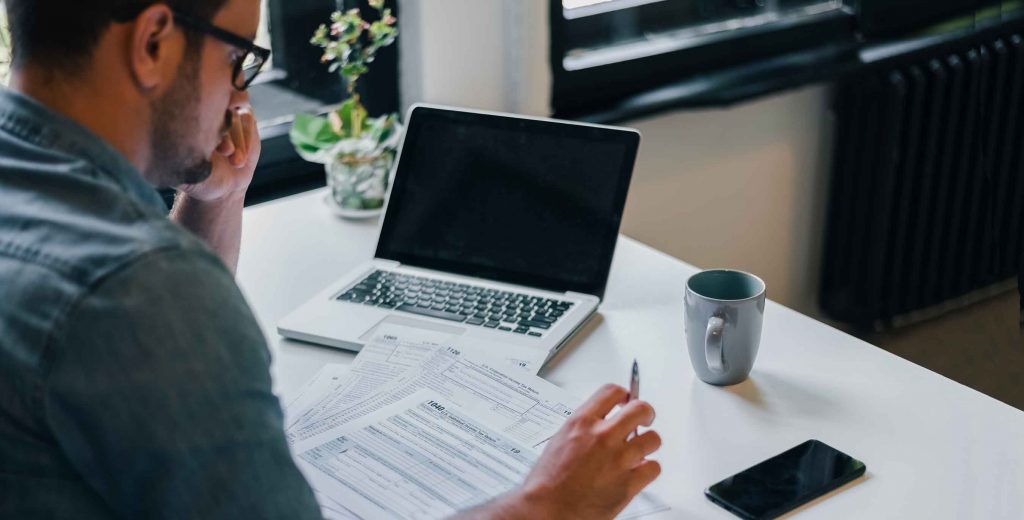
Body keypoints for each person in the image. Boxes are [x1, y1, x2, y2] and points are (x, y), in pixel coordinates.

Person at [0, 1, 662, 518]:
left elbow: (132, 356)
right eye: (239, 61)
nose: (240, 100)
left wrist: (212, 202)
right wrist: (549, 504)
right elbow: (143, 309)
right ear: (152, 44)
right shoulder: (142, 291)